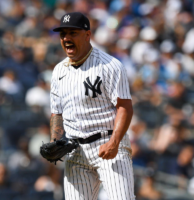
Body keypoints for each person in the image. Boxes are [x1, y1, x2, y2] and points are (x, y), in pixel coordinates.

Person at [49, 12, 135, 200]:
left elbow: (125, 107)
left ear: (87, 35)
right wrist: (55, 142)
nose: (67, 38)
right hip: (75, 151)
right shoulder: (58, 71)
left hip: (108, 143)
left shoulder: (110, 65)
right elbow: (57, 113)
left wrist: (114, 142)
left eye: (73, 33)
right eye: (63, 34)